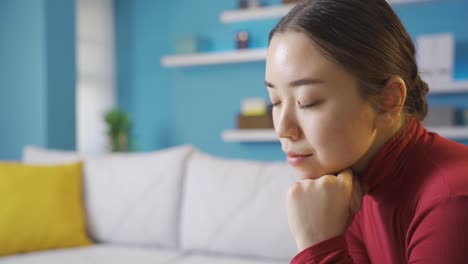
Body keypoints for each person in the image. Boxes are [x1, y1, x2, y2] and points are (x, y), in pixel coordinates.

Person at [264, 0, 468, 263]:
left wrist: (318, 247)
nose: (283, 129)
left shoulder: (451, 202)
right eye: (276, 101)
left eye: (307, 101)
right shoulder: (353, 184)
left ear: (388, 101)